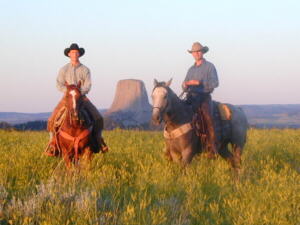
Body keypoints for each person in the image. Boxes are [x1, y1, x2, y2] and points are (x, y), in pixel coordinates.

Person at [45, 43, 106, 156]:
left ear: (79, 54)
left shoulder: (85, 69)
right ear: (69, 54)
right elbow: (59, 84)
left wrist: (78, 93)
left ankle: (98, 141)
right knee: (51, 120)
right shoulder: (63, 69)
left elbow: (88, 85)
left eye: (76, 52)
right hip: (67, 98)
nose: (74, 54)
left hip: (82, 98)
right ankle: (52, 144)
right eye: (72, 52)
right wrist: (69, 92)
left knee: (98, 118)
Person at [182, 42, 219, 156]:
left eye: (199, 51)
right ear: (192, 54)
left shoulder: (210, 66)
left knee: (208, 117)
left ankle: (212, 146)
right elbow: (184, 84)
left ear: (202, 52)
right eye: (194, 52)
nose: (197, 53)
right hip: (191, 97)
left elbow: (215, 83)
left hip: (203, 97)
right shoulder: (191, 69)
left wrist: (200, 83)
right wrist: (185, 84)